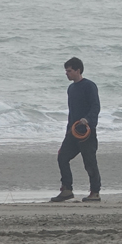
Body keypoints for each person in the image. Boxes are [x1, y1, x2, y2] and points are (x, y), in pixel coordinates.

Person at [50, 57, 102, 203]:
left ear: (78, 70)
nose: (66, 73)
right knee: (62, 157)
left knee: (89, 163)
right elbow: (72, 113)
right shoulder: (71, 88)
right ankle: (66, 190)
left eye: (69, 71)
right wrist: (67, 132)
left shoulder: (89, 86)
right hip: (72, 132)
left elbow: (96, 106)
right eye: (66, 71)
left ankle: (95, 192)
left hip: (87, 132)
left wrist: (88, 120)